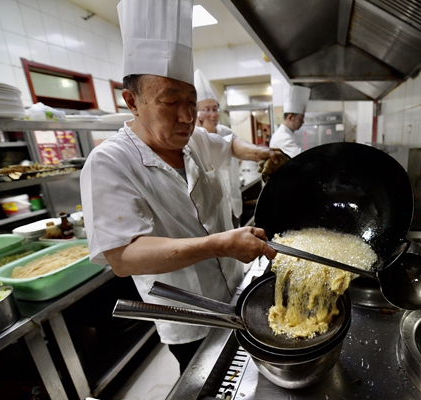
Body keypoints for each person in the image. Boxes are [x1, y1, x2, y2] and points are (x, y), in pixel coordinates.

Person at [80, 0, 282, 374]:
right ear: (132, 101)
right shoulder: (109, 162)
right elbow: (123, 256)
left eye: (191, 101)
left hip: (237, 291)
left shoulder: (195, 140)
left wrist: (262, 153)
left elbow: (230, 145)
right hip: (188, 315)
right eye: (170, 102)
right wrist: (220, 244)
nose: (187, 117)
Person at [194, 69, 242, 228]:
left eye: (215, 109)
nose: (213, 114)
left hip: (234, 201)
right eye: (206, 110)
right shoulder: (193, 139)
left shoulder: (227, 132)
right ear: (197, 113)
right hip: (212, 209)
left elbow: (238, 156)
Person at [268, 85, 311, 158]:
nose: (303, 122)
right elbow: (301, 158)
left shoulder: (288, 133)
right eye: (301, 118)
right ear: (291, 117)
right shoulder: (283, 137)